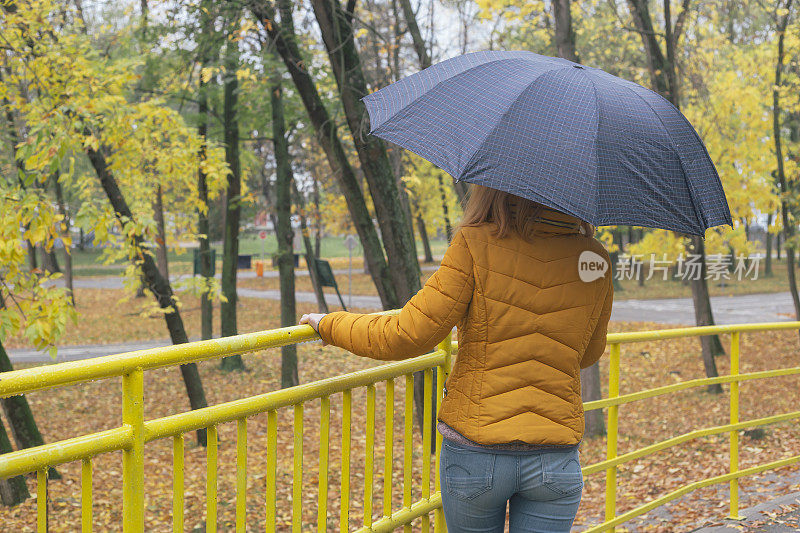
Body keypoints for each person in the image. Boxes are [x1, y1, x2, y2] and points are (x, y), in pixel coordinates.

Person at [300, 184, 613, 532]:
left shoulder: (475, 244)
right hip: (554, 457)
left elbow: (406, 335)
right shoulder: (594, 259)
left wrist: (329, 324)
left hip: (477, 453)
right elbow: (588, 354)